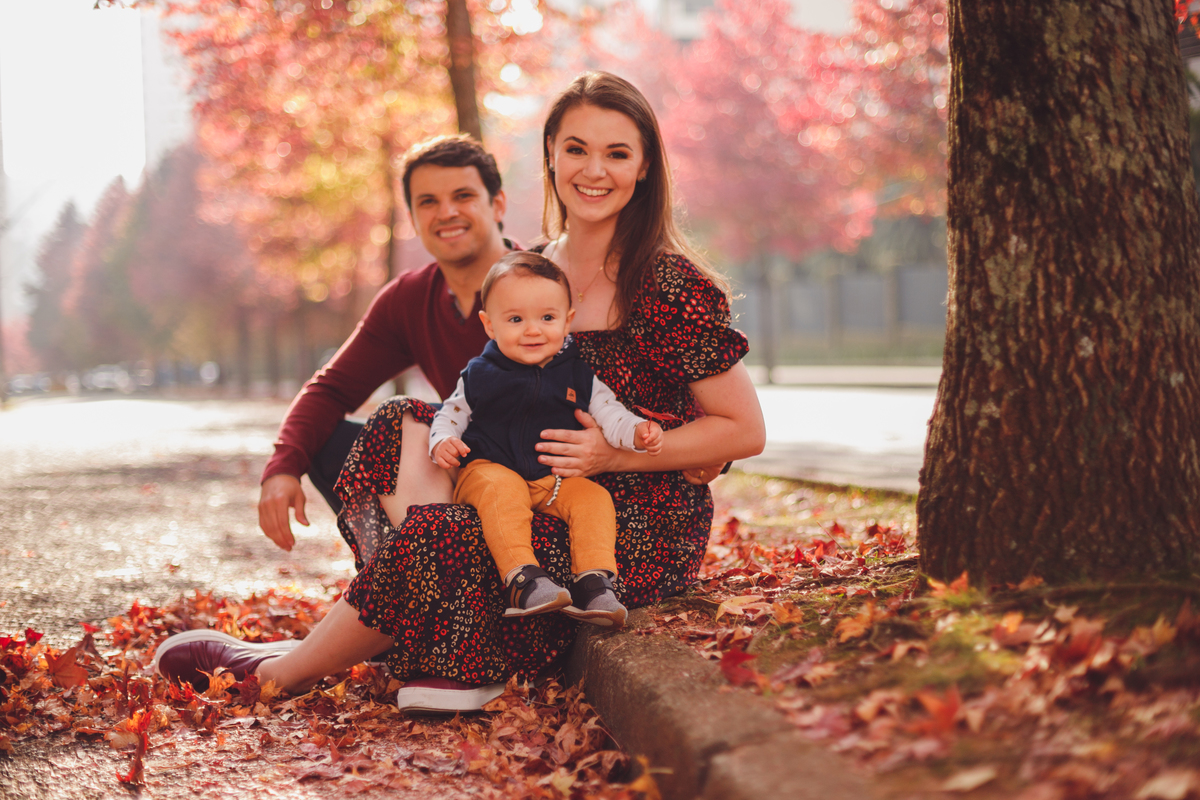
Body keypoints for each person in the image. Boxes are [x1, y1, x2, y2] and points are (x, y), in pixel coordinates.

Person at [153, 70, 766, 715]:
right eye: (577, 148)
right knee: (399, 429)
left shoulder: (666, 283)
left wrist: (613, 455)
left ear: (644, 168)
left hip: (628, 521)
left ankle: (285, 671)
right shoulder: (533, 269)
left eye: (618, 153)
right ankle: (441, 630)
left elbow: (743, 430)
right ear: (551, 156)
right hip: (526, 487)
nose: (595, 169)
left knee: (456, 536)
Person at [256, 134, 512, 557]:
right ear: (411, 216)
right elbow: (330, 390)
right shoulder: (409, 299)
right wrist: (281, 468)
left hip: (530, 475)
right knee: (331, 439)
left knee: (407, 420)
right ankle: (393, 571)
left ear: (497, 204)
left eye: (463, 196)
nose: (446, 212)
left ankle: (438, 570)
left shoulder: (542, 281)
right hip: (451, 469)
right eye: (427, 201)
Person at [430, 251, 664, 628]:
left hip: (552, 481)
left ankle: (594, 582)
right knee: (502, 491)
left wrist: (637, 432)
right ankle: (523, 579)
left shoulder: (577, 373)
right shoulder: (480, 373)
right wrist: (442, 441)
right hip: (489, 468)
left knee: (593, 498)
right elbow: (451, 413)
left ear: (568, 321)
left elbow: (610, 413)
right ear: (490, 325)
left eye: (548, 318)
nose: (534, 330)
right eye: (516, 319)